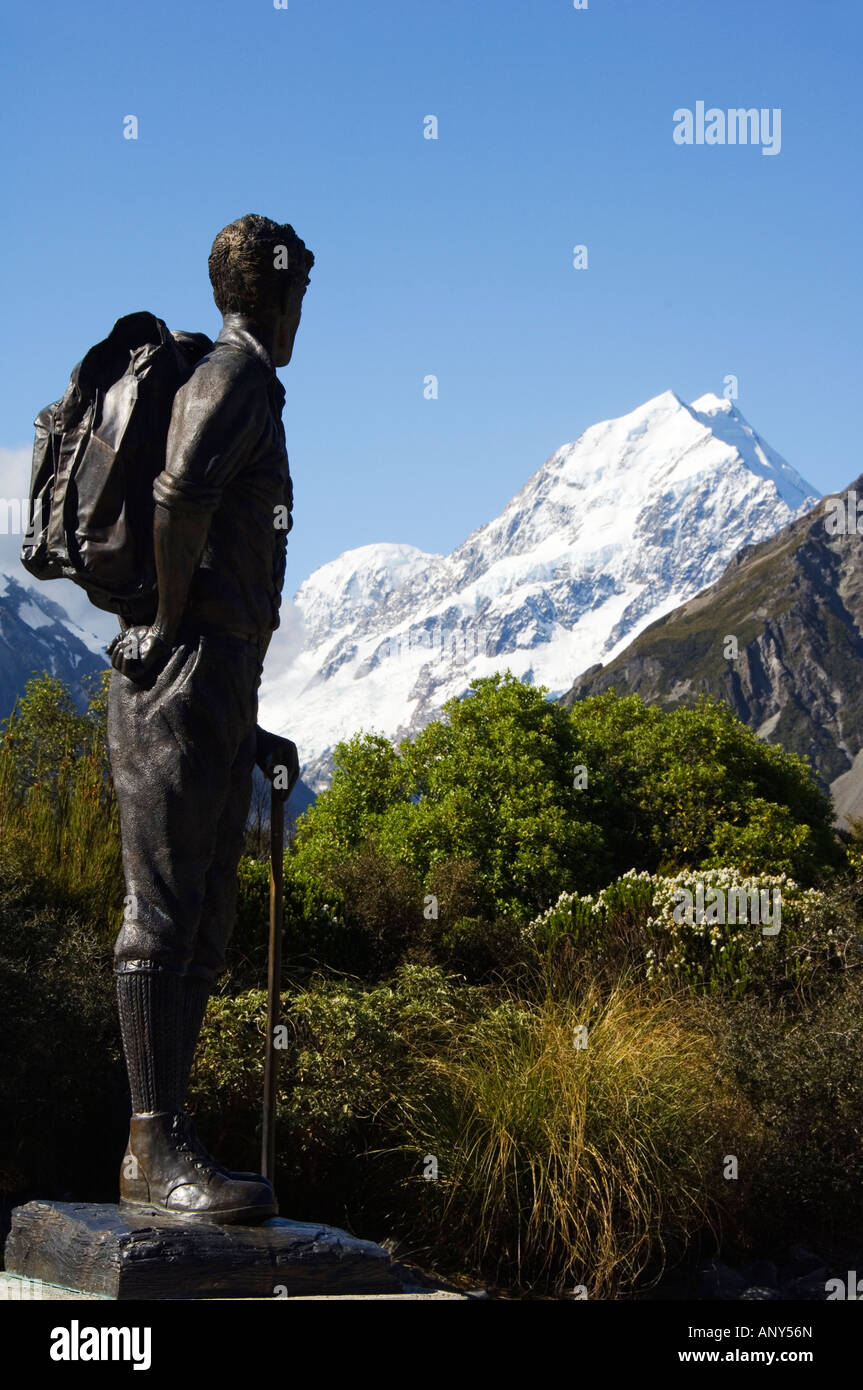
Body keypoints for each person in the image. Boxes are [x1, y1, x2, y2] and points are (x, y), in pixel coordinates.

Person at [106, 213, 312, 1223]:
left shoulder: (243, 383)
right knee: (162, 910)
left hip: (216, 676)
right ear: (269, 292)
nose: (299, 315)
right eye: (298, 293)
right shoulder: (237, 378)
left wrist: (247, 719)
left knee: (201, 917)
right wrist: (170, 632)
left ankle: (169, 1138)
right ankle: (152, 1146)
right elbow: (179, 490)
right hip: (184, 669)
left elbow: (223, 549)